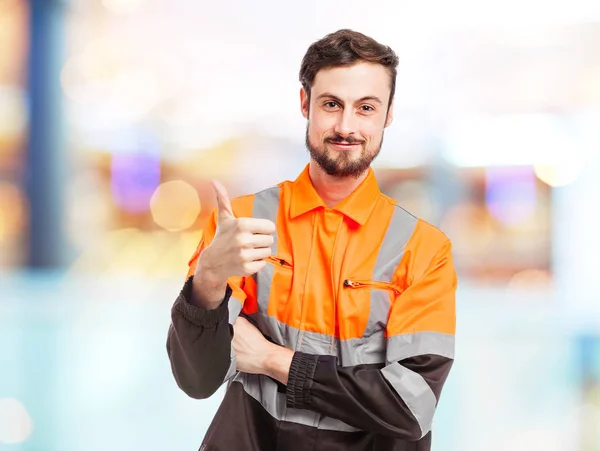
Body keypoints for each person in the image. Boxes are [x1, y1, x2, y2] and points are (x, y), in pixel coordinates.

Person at [166, 28, 457, 451]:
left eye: (366, 108)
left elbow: (411, 408)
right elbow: (197, 380)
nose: (345, 126)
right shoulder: (241, 224)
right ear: (305, 103)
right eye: (331, 104)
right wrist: (207, 278)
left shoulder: (424, 250)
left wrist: (273, 360)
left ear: (387, 114)